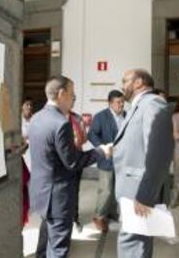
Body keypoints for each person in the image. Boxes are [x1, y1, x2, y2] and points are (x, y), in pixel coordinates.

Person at [29, 76, 112, 258]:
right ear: (61, 94)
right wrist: (101, 152)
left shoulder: (36, 117)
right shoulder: (61, 123)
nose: (73, 98)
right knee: (58, 248)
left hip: (41, 193)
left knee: (45, 241)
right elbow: (73, 162)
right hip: (58, 197)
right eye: (72, 94)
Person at [113, 69, 174, 258]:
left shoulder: (153, 104)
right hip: (132, 191)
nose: (122, 84)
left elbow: (159, 153)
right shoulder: (138, 106)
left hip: (139, 195)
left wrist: (145, 196)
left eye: (125, 80)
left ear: (139, 82)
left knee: (133, 247)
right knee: (134, 244)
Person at [88, 89, 125, 232]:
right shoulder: (100, 117)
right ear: (110, 103)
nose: (121, 105)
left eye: (122, 102)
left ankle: (111, 213)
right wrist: (102, 148)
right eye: (118, 102)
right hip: (107, 159)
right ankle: (99, 216)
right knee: (106, 190)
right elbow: (92, 134)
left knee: (116, 189)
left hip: (122, 160)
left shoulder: (126, 116)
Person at [68, 108, 88, 232]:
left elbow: (84, 139)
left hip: (76, 158)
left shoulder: (77, 118)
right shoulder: (56, 117)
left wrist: (81, 132)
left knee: (74, 190)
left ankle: (74, 218)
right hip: (60, 160)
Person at [21, 97, 34, 170]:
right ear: (22, 106)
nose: (29, 107)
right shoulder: (18, 120)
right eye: (27, 104)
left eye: (31, 105)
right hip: (24, 152)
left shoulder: (35, 118)